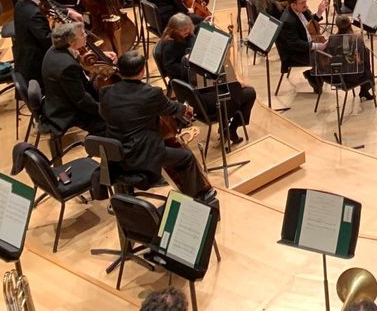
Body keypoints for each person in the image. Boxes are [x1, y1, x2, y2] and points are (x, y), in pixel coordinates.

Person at [100, 49, 216, 203]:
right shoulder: (150, 93)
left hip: (114, 151)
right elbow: (172, 109)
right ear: (142, 71)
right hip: (139, 153)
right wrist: (186, 109)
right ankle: (196, 198)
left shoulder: (106, 92)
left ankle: (124, 194)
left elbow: (105, 114)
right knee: (186, 158)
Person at [153, 14, 256, 144]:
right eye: (183, 30)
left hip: (199, 84)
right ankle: (229, 128)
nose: (187, 31)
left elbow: (194, 32)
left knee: (236, 89)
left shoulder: (185, 36)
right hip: (196, 94)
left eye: (188, 28)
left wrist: (203, 26)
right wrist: (192, 64)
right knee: (248, 93)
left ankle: (227, 127)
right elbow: (173, 70)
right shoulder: (170, 46)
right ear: (174, 30)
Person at [41, 22, 106, 134]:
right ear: (71, 42)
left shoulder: (55, 49)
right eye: (82, 34)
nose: (85, 35)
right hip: (67, 113)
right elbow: (81, 100)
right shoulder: (68, 66)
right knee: (111, 122)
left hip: (55, 102)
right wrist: (103, 110)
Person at [276, 0, 329, 92]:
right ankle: (313, 76)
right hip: (295, 53)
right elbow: (295, 44)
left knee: (332, 50)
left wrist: (319, 13)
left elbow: (309, 24)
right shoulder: (288, 21)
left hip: (306, 44)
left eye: (305, 1)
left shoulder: (302, 10)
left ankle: (316, 75)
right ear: (293, 5)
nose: (305, 5)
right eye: (302, 3)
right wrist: (317, 46)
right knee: (325, 57)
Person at [13, 0, 52, 86]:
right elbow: (47, 40)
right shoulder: (34, 13)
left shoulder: (20, 4)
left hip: (22, 56)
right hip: (35, 64)